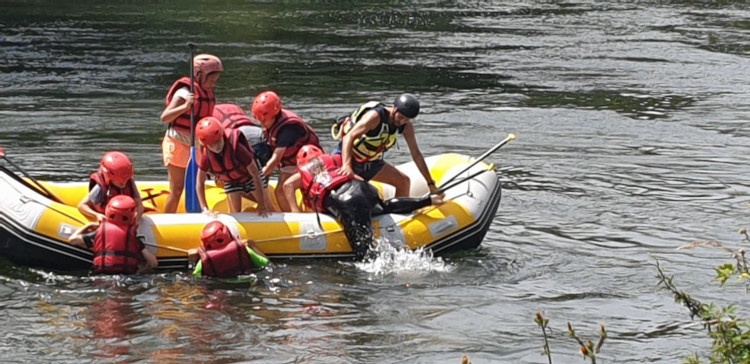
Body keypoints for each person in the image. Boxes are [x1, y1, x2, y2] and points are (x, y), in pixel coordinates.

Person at [282, 145, 443, 260]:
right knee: (384, 206)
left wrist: (296, 213)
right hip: (362, 188)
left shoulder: (303, 173)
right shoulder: (334, 159)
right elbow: (352, 175)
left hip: (345, 202)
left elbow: (287, 185)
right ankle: (428, 200)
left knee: (364, 256)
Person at [333, 93, 440, 197]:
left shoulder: (406, 126)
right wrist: (347, 166)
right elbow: (349, 137)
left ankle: (399, 211)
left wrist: (430, 183)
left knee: (404, 181)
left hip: (370, 163)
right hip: (346, 157)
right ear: (395, 109)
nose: (402, 121)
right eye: (401, 117)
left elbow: (416, 154)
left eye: (407, 119)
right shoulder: (375, 117)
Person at [159, 53, 223, 213]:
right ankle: (167, 220)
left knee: (196, 186)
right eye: (211, 79)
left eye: (215, 79)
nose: (213, 83)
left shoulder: (208, 92)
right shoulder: (184, 92)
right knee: (177, 189)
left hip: (197, 146)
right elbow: (165, 117)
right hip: (177, 144)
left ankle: (201, 214)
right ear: (199, 75)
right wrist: (186, 106)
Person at [251, 90, 321, 212]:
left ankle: (299, 218)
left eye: (264, 120)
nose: (262, 124)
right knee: (280, 191)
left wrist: (258, 177)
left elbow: (276, 159)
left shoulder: (288, 128)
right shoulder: (273, 124)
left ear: (275, 114)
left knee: (285, 187)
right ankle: (290, 217)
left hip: (309, 162)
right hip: (291, 163)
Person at [194, 116, 270, 215]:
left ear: (222, 135)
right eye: (211, 145)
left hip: (250, 177)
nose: (216, 147)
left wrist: (262, 205)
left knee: (267, 208)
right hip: (231, 181)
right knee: (235, 212)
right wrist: (205, 208)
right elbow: (199, 182)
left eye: (217, 142)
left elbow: (255, 174)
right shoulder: (206, 155)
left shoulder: (237, 148)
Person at [69, 195, 158, 275]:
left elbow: (72, 240)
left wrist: (88, 226)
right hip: (127, 278)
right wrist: (141, 270)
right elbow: (153, 263)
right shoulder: (133, 238)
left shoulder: (99, 233)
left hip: (101, 277)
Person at [78, 151, 145, 223]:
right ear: (108, 176)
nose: (123, 183)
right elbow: (81, 205)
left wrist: (136, 220)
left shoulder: (130, 183)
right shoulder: (100, 188)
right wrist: (96, 215)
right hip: (106, 217)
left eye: (125, 180)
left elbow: (140, 206)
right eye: (119, 182)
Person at [187, 221, 269, 278]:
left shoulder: (204, 260)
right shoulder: (243, 249)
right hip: (246, 285)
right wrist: (253, 246)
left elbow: (195, 277)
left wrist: (192, 261)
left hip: (218, 289)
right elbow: (265, 264)